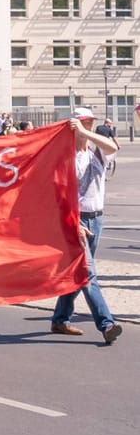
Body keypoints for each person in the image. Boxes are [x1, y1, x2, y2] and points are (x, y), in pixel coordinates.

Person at [51, 107, 123, 345]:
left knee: (77, 270)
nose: (88, 126)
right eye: (83, 123)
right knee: (88, 272)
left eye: (91, 122)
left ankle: (60, 318)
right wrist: (74, 223)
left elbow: (113, 148)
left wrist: (87, 133)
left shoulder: (97, 152)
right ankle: (106, 324)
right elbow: (59, 195)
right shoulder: (64, 158)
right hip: (77, 219)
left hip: (97, 217)